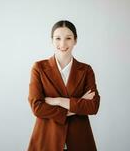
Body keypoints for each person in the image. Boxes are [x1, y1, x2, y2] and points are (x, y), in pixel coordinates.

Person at [27, 20, 100, 151]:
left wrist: (57, 101)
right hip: (48, 137)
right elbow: (37, 107)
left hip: (79, 138)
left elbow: (93, 106)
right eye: (58, 38)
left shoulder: (86, 70)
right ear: (52, 40)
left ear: (75, 40)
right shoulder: (39, 68)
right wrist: (77, 105)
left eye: (68, 38)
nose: (62, 44)